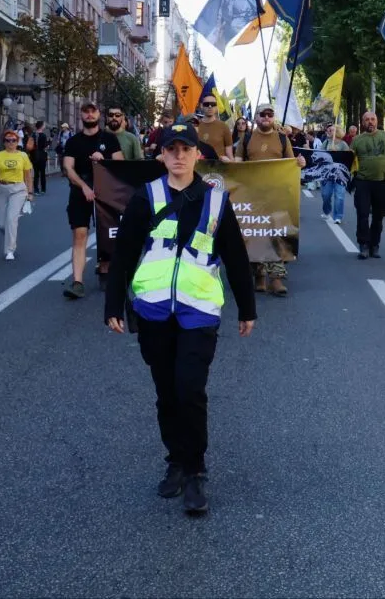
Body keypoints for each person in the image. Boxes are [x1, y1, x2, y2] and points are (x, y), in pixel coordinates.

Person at [104, 121, 256, 516]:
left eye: (185, 149)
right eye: (170, 149)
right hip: (153, 310)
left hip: (199, 311)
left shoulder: (216, 201)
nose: (178, 156)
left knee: (190, 390)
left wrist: (247, 307)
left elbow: (237, 257)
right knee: (167, 392)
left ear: (197, 154)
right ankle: (174, 459)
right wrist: (113, 304)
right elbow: (123, 254)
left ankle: (195, 472)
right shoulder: (146, 196)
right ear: (162, 155)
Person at [238, 105, 307, 295]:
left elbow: (292, 164)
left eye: (270, 114)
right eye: (263, 114)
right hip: (252, 195)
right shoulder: (247, 138)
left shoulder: (283, 138)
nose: (267, 117)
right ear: (256, 117)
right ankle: (258, 275)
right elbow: (237, 164)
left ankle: (276, 278)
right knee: (254, 235)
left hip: (277, 196)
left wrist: (300, 163)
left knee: (276, 234)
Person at [61, 102, 124, 298]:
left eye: (93, 111)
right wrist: (85, 187)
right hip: (81, 190)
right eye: (86, 112)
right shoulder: (73, 141)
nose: (89, 115)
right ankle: (77, 282)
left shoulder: (109, 139)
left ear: (99, 114)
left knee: (107, 234)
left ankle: (105, 267)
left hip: (106, 191)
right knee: (80, 235)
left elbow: (120, 164)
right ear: (81, 115)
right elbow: (68, 168)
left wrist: (103, 159)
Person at [352, 111, 385, 260]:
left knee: (378, 217)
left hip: (382, 182)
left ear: (377, 121)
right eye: (367, 120)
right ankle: (363, 245)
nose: (370, 122)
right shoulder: (357, 140)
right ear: (362, 122)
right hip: (363, 182)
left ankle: (374, 245)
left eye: (372, 119)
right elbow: (348, 159)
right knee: (363, 214)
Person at [0, 130, 34, 261]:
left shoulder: (23, 156)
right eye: (8, 140)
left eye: (13, 140)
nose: (11, 143)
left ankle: (10, 250)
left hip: (18, 189)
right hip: (1, 188)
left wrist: (30, 193)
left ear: (17, 142)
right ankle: (9, 235)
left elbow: (28, 175)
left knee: (11, 219)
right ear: (4, 142)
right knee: (1, 225)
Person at [314, 123, 349, 224]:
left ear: (337, 132)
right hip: (327, 174)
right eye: (328, 130)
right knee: (326, 194)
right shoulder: (326, 142)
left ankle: (338, 216)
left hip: (339, 174)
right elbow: (319, 156)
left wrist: (337, 153)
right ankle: (326, 211)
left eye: (331, 130)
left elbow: (347, 159)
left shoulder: (343, 144)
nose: (328, 131)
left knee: (339, 195)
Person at [195, 93, 233, 161]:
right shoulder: (195, 126)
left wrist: (230, 164)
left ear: (216, 107)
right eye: (206, 104)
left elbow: (229, 154)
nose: (210, 106)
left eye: (213, 104)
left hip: (218, 169)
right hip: (198, 168)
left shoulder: (224, 127)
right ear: (201, 106)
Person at [26, 120, 50, 194]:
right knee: (42, 173)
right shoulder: (43, 135)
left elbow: (30, 146)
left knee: (36, 173)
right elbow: (45, 146)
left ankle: (36, 190)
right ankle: (43, 189)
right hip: (42, 155)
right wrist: (48, 144)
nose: (45, 126)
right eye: (44, 125)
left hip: (34, 155)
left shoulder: (33, 134)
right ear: (42, 126)